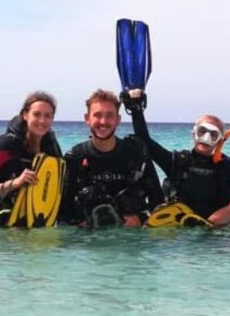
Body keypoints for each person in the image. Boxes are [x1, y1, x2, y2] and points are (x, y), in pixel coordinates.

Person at [121, 89, 230, 220]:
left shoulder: (227, 169)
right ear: (193, 134)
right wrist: (136, 109)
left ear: (220, 140)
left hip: (217, 236)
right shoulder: (177, 163)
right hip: (181, 237)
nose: (206, 138)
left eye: (213, 135)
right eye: (202, 131)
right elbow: (145, 141)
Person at [60, 89, 163, 227]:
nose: (103, 121)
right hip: (88, 240)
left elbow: (158, 201)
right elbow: (63, 211)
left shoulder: (136, 153)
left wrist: (140, 218)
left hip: (132, 239)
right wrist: (80, 224)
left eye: (109, 115)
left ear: (118, 120)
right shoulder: (75, 157)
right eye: (97, 115)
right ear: (87, 119)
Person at [0, 91, 62, 226]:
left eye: (47, 116)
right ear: (25, 115)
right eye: (36, 114)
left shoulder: (50, 149)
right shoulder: (5, 146)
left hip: (27, 224)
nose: (42, 121)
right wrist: (16, 183)